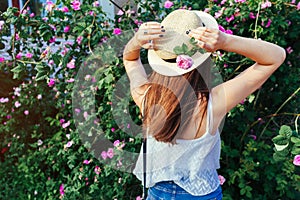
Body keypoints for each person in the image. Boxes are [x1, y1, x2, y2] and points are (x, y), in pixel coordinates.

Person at [123, 9, 285, 200]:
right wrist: (225, 41)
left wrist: (136, 41)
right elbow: (275, 57)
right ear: (202, 61)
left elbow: (130, 60)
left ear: (160, 59)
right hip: (202, 194)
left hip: (158, 194)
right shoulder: (212, 103)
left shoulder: (146, 97)